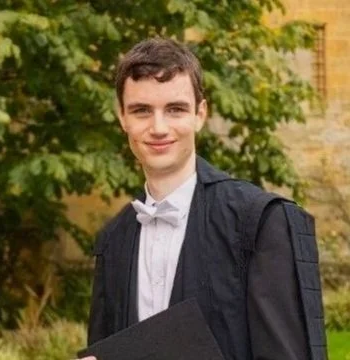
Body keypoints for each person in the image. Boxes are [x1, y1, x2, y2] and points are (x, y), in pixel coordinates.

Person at [84, 38, 327, 359]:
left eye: (175, 109)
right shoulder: (114, 239)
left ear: (200, 114)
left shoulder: (259, 221)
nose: (159, 127)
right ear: (122, 118)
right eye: (142, 111)